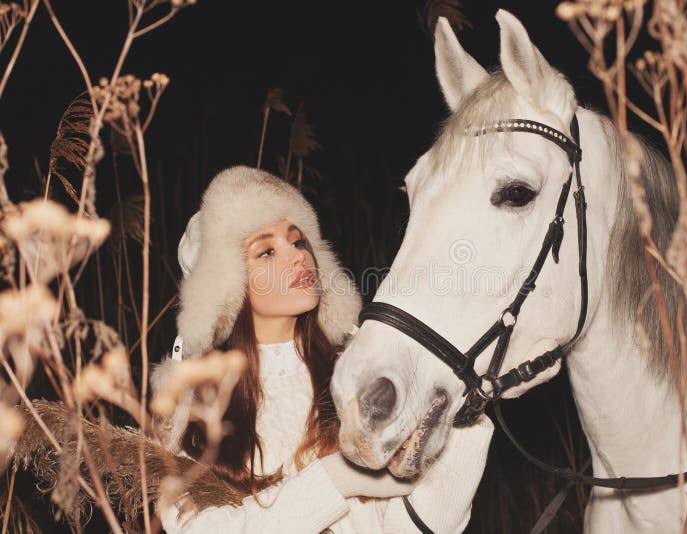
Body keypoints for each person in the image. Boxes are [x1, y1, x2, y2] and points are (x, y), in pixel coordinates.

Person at [152, 166, 493, 533]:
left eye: (298, 242)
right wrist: (333, 479)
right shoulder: (191, 407)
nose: (298, 257)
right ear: (225, 287)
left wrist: (463, 418)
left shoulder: (353, 377)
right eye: (266, 252)